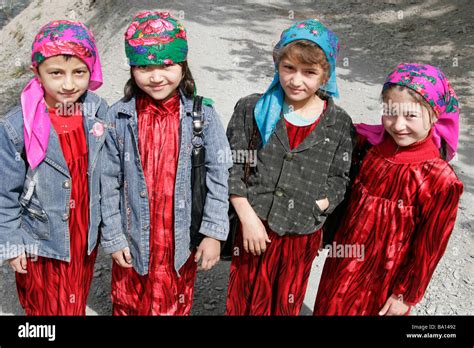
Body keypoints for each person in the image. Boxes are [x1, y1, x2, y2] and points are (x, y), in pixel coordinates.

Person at [100, 11, 232, 315]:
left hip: (179, 241)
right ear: (132, 68)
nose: (156, 76)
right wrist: (114, 235)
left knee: (174, 302)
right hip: (134, 239)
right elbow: (107, 180)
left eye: (166, 65)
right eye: (144, 67)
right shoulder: (117, 117)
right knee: (128, 301)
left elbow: (219, 175)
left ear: (182, 66)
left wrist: (213, 232)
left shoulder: (203, 116)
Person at [225, 19, 354, 315]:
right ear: (277, 65)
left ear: (325, 76)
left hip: (300, 235)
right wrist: (247, 217)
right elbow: (234, 165)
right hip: (254, 227)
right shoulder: (253, 109)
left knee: (286, 301)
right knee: (245, 298)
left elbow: (339, 177)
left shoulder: (338, 124)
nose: (297, 81)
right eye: (289, 68)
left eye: (309, 72)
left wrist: (319, 204)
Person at [314, 63, 463, 316]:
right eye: (391, 112)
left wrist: (405, 295)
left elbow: (430, 248)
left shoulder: (440, 180)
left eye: (411, 116)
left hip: (385, 281)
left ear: (435, 116)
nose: (398, 125)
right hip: (342, 265)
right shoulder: (367, 147)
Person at [0, 20, 107, 315]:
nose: (69, 84)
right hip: (40, 239)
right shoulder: (16, 127)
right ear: (38, 72)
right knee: (44, 306)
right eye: (56, 73)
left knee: (74, 296)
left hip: (83, 234)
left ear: (91, 71)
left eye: (79, 73)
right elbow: (4, 194)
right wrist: (11, 244)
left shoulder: (98, 112)